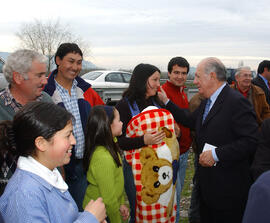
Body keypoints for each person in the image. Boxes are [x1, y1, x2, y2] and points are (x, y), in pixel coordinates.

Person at [158, 57, 258, 223]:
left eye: (197, 77)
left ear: (211, 76)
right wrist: (166, 102)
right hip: (208, 187)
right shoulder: (208, 101)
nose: (194, 81)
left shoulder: (236, 102)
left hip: (228, 188)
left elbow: (251, 140)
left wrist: (217, 154)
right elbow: (190, 120)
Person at [0, 102, 106, 223]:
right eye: (67, 135)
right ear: (41, 143)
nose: (74, 141)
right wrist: (90, 218)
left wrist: (89, 216)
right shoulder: (23, 196)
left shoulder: (48, 175)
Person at [44, 43, 104, 211]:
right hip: (57, 165)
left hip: (83, 164)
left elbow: (102, 117)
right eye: (71, 61)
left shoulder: (85, 90)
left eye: (79, 62)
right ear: (58, 60)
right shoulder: (46, 92)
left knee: (80, 209)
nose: (75, 67)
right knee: (60, 212)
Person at [115, 63, 166, 222]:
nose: (158, 84)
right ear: (142, 81)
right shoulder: (125, 105)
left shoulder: (157, 102)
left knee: (156, 206)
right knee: (139, 210)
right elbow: (120, 141)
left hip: (158, 165)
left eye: (159, 79)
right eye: (155, 80)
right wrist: (143, 140)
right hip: (134, 169)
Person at [0, 49, 53, 194]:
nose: (45, 80)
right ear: (18, 78)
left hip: (47, 189)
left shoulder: (47, 102)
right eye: (39, 75)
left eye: (45, 74)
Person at [82, 105, 129, 223]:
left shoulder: (112, 145)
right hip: (100, 214)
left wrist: (121, 203)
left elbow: (117, 182)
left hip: (109, 208)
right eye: (118, 120)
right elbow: (109, 200)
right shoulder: (103, 157)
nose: (122, 123)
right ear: (108, 126)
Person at [161, 56, 192, 222]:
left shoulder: (182, 91)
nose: (180, 76)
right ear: (169, 73)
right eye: (176, 72)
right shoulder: (163, 92)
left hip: (184, 151)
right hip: (171, 155)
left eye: (184, 73)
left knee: (177, 199)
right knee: (174, 201)